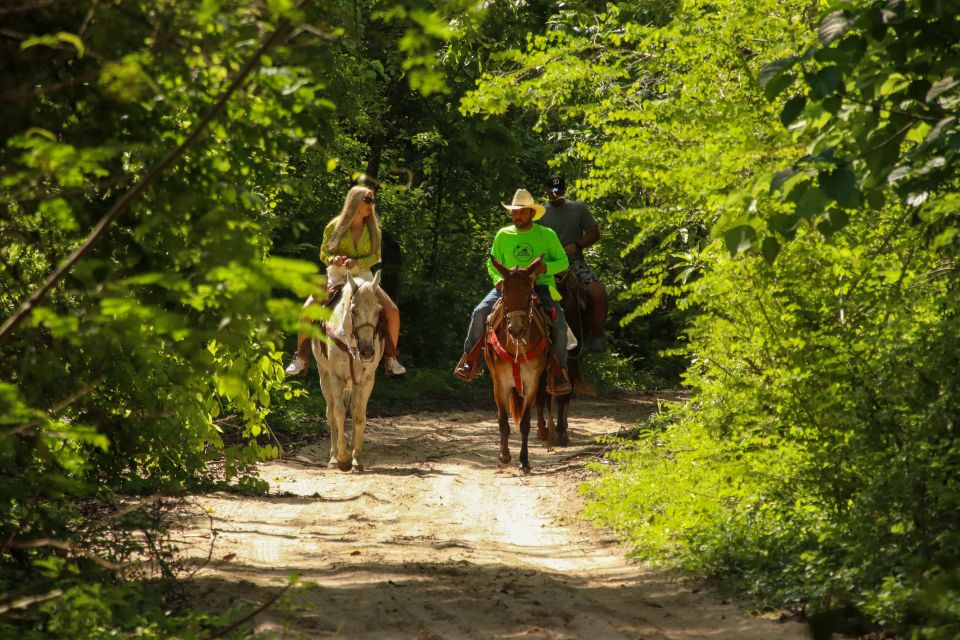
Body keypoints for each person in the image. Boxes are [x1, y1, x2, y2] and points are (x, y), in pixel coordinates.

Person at [453, 188, 572, 395]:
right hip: (506, 288)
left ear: (531, 213)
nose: (517, 215)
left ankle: (558, 373)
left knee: (560, 324)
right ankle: (469, 360)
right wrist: (498, 280)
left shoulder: (547, 235)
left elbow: (564, 262)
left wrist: (546, 268)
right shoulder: (503, 234)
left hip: (540, 286)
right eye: (514, 211)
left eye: (522, 211)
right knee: (480, 312)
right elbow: (492, 263)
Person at [285, 185, 406, 377]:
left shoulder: (374, 229)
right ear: (355, 201)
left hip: (364, 277)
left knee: (392, 311)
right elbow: (323, 252)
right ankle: (300, 358)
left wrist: (357, 263)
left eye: (372, 201)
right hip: (336, 276)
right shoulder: (334, 226)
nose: (371, 205)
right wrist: (334, 259)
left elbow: (376, 257)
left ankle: (391, 358)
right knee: (307, 310)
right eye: (367, 200)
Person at [538, 174, 609, 352]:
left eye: (558, 192)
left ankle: (597, 334)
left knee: (598, 292)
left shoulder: (578, 208)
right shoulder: (538, 211)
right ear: (546, 191)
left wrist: (576, 245)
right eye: (552, 192)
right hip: (545, 262)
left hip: (573, 261)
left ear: (565, 190)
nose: (555, 195)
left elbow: (594, 233)